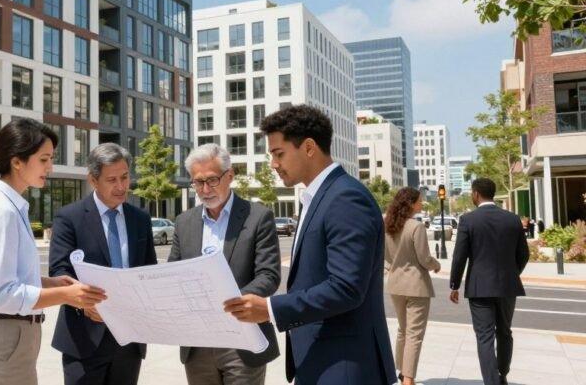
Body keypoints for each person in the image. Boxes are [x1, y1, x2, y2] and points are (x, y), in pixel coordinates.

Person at [223, 104, 396, 384]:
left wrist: (269, 309)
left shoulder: (345, 198)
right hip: (322, 360)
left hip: (345, 367)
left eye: (279, 153)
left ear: (309, 147)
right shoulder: (317, 198)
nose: (273, 164)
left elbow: (346, 288)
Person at [0, 117, 107, 385]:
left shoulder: (10, 206)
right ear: (17, 161)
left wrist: (50, 283)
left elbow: (7, 278)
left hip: (12, 340)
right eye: (44, 159)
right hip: (4, 341)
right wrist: (66, 295)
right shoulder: (1, 211)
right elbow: (3, 294)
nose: (50, 167)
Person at [169, 143, 281, 385]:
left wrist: (230, 303)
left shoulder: (258, 217)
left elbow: (268, 275)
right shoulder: (183, 222)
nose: (206, 189)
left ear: (229, 176)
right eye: (198, 182)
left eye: (212, 180)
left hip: (242, 340)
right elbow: (173, 274)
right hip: (197, 343)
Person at [49, 143, 158, 385]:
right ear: (93, 180)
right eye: (112, 180)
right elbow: (59, 272)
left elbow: (149, 271)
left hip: (129, 341)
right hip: (84, 339)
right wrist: (83, 304)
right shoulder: (70, 218)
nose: (121, 187)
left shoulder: (140, 219)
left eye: (125, 177)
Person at [449, 178, 530, 385]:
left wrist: (454, 285)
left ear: (476, 194)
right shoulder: (512, 219)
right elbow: (524, 254)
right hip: (507, 286)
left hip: (479, 287)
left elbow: (460, 256)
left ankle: (492, 382)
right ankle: (502, 374)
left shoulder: (468, 220)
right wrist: (512, 273)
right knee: (504, 331)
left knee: (484, 337)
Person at [384, 187, 441, 385]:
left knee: (403, 330)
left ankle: (401, 372)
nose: (422, 203)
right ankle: (408, 379)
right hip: (416, 285)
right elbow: (424, 259)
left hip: (395, 284)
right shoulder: (416, 227)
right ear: (410, 203)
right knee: (414, 334)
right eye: (419, 200)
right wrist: (436, 264)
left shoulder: (389, 226)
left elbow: (387, 258)